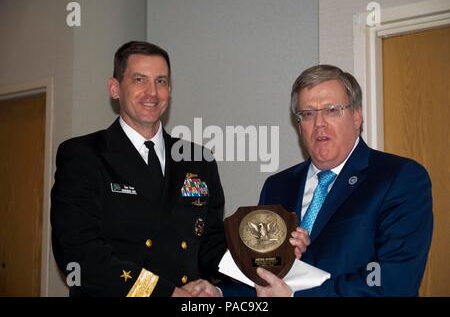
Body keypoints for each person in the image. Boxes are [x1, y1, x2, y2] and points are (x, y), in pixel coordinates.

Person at [51, 41, 227, 297]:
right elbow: (78, 253)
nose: (152, 92)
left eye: (161, 81)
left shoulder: (199, 159)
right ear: (115, 88)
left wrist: (266, 257)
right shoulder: (83, 155)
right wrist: (167, 293)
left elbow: (210, 243)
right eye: (139, 80)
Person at [255, 64, 433, 296]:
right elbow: (260, 276)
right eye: (308, 114)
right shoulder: (277, 187)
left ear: (357, 117)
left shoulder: (399, 178)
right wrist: (217, 292)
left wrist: (294, 296)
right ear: (299, 125)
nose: (319, 123)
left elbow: (391, 280)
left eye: (331, 110)